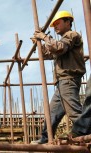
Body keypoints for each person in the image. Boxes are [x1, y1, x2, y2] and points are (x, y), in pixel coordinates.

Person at [31, 11, 86, 144]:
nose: (55, 26)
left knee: (73, 111)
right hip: (62, 82)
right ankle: (45, 137)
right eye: (53, 24)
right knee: (52, 114)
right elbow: (50, 54)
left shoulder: (72, 35)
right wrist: (40, 46)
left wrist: (44, 37)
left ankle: (85, 131)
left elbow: (59, 48)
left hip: (69, 79)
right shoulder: (61, 41)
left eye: (57, 23)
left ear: (68, 22)